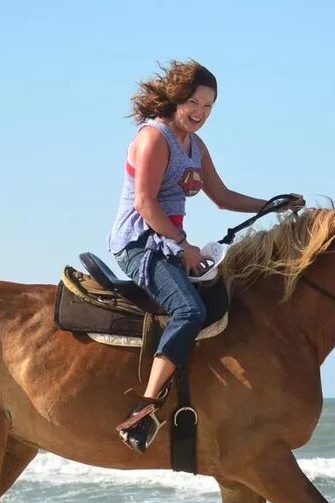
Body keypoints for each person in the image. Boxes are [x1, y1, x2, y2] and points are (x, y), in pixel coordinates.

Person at [108, 60, 304, 453]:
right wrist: (184, 246)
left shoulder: (195, 147)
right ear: (176, 98)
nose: (200, 113)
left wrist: (272, 205)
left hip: (170, 242)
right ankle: (145, 409)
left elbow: (223, 197)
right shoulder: (153, 139)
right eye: (194, 103)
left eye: (209, 107)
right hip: (138, 244)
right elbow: (146, 205)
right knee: (189, 311)